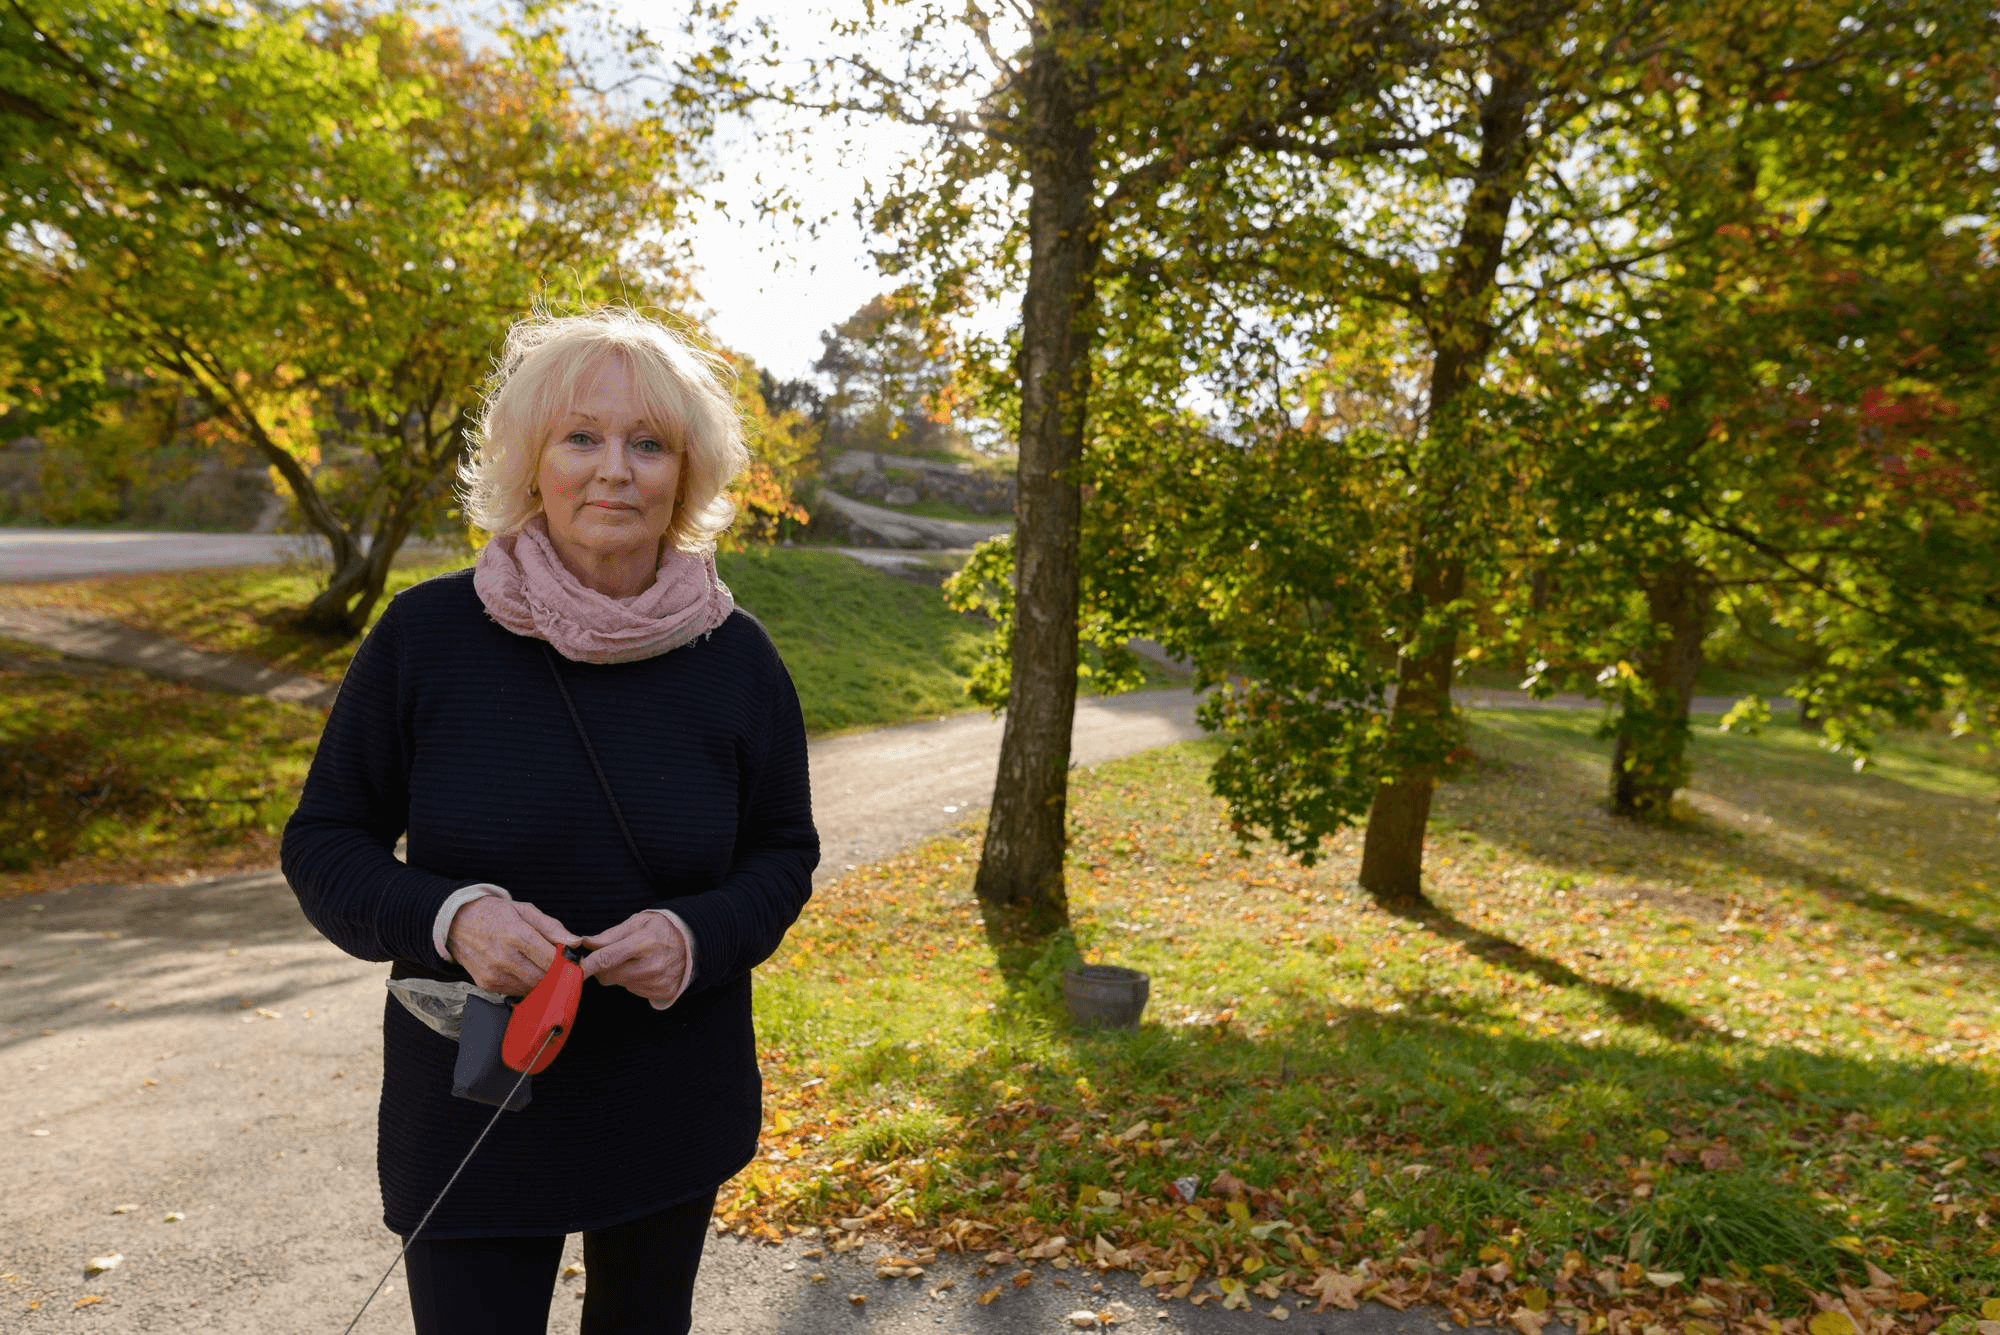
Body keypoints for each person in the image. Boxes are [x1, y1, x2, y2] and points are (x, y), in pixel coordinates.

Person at [282, 307, 818, 1335]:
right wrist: (452, 921)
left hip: (668, 1101)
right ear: (532, 462)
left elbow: (782, 854)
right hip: (475, 1100)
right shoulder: (426, 637)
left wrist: (696, 935)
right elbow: (323, 843)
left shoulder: (738, 659)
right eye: (581, 437)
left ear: (684, 474)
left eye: (647, 443)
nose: (613, 470)